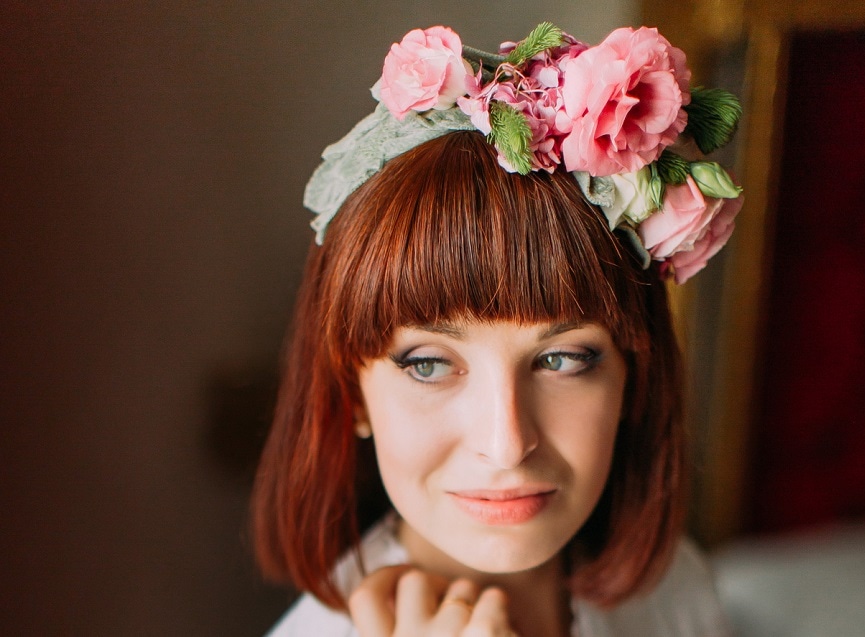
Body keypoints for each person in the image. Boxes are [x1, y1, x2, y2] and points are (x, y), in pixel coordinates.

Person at [252, 22, 743, 637]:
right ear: (353, 391)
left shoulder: (675, 594)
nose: (506, 443)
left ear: (630, 376)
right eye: (428, 363)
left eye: (562, 359)